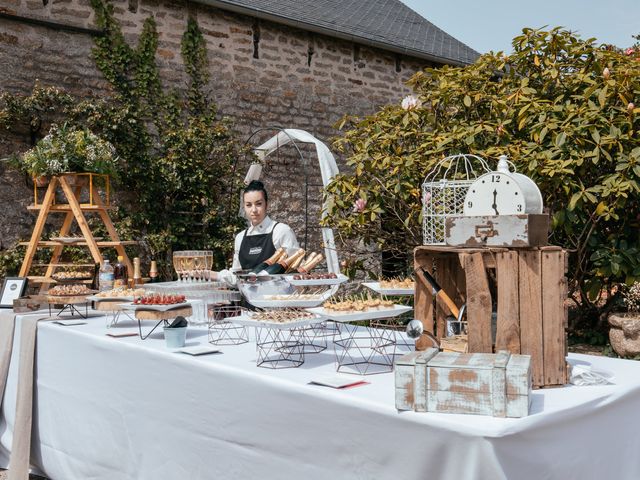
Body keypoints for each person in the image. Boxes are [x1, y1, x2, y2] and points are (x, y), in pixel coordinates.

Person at [212, 180, 299, 284]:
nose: (254, 210)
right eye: (248, 205)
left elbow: (296, 273)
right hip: (248, 299)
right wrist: (208, 274)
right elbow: (237, 277)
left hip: (277, 297)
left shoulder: (281, 231)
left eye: (258, 204)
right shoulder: (240, 237)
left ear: (266, 204)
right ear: (244, 207)